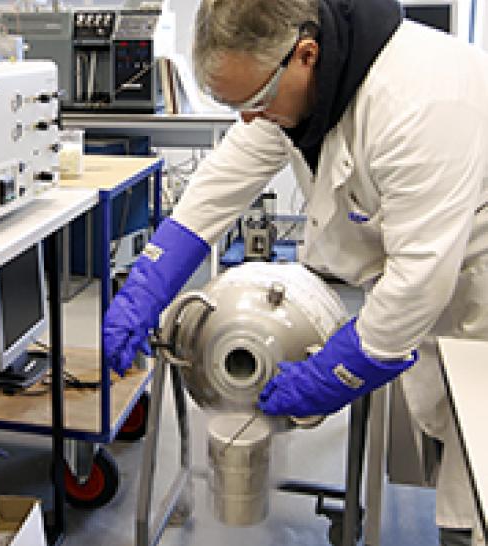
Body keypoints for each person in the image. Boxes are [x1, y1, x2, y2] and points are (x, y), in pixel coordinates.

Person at [102, 0, 488, 544]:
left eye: (255, 102)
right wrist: (148, 281)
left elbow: (418, 283)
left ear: (305, 55)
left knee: (477, 489)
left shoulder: (421, 102)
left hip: (478, 297)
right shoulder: (301, 80)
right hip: (428, 284)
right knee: (452, 447)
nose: (249, 119)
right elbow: (218, 186)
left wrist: (330, 378)